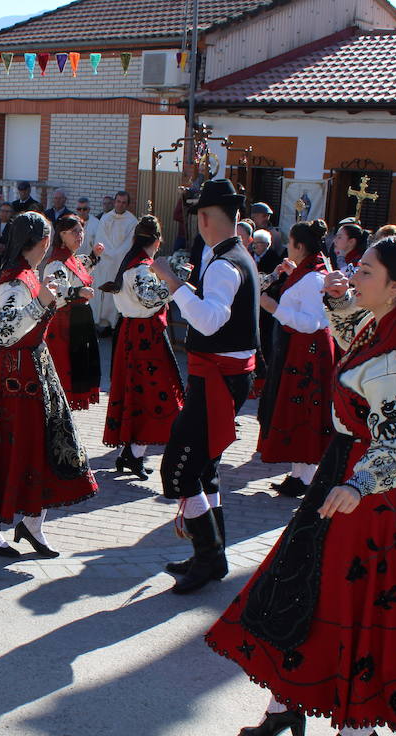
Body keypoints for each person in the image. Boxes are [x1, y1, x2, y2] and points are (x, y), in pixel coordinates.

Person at [205, 235, 396, 736]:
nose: (353, 276)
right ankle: (286, 702)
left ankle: (359, 729)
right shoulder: (379, 324)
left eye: (364, 272)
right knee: (298, 589)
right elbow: (347, 346)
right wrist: (341, 301)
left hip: (367, 496)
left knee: (341, 605)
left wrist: (357, 485)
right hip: (343, 474)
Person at [0, 211, 98, 559]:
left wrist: (68, 296)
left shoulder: (27, 275)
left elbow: (38, 305)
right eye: (49, 239)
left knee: (39, 444)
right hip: (16, 374)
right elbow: (5, 332)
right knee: (16, 446)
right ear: (41, 243)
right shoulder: (12, 281)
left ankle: (32, 521)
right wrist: (43, 302)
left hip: (34, 367)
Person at [149, 179, 261, 595]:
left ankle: (209, 556)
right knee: (204, 464)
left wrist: (173, 283)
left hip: (217, 378)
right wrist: (187, 288)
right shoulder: (235, 256)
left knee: (181, 465)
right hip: (222, 376)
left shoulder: (224, 263)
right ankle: (211, 556)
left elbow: (211, 320)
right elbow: (220, 313)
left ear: (206, 219)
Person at [256, 220, 335, 495]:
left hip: (308, 351)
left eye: (290, 243)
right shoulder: (307, 271)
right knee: (296, 409)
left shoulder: (313, 277)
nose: (287, 247)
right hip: (299, 349)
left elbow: (313, 322)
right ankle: (299, 475)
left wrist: (274, 308)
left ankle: (306, 476)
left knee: (305, 411)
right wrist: (292, 274)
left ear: (300, 246)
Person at [100, 215, 180, 479]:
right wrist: (174, 282)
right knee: (151, 394)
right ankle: (133, 453)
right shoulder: (142, 268)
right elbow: (148, 300)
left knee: (137, 392)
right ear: (157, 241)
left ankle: (131, 453)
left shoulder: (133, 264)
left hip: (133, 334)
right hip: (145, 337)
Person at [41, 214, 104, 409]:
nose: (80, 235)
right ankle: (59, 407)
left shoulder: (72, 259)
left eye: (81, 230)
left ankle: (65, 408)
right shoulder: (56, 263)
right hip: (64, 324)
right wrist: (78, 291)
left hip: (78, 320)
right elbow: (56, 291)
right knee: (65, 365)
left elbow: (82, 270)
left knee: (78, 364)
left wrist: (94, 255)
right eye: (75, 231)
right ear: (62, 234)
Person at [94, 191, 138, 333]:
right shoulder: (106, 218)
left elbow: (129, 243)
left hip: (120, 263)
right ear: (115, 202)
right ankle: (100, 322)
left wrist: (116, 255)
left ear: (127, 204)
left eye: (124, 202)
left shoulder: (132, 221)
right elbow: (101, 238)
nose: (120, 204)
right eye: (118, 201)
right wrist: (109, 254)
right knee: (102, 292)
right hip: (105, 262)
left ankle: (113, 324)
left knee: (116, 293)